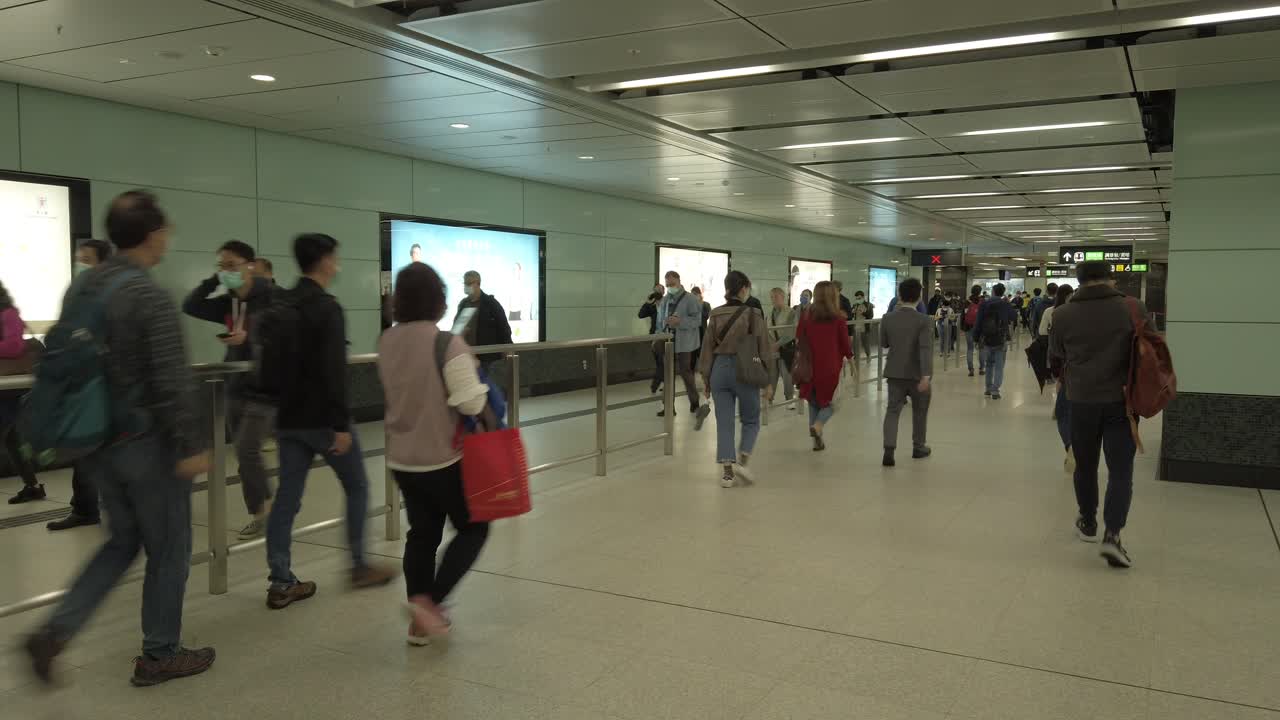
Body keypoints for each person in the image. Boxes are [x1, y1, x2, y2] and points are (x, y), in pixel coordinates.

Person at [24, 190, 215, 687]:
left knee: (122, 541)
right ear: (154, 235)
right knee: (170, 547)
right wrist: (192, 444)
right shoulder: (148, 294)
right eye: (166, 231)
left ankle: (56, 630)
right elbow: (171, 380)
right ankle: (160, 655)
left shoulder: (85, 286)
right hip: (147, 444)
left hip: (99, 442)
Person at [265, 233, 396, 610]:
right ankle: (358, 566)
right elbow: (333, 372)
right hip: (322, 418)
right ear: (324, 261)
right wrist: (340, 425)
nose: (337, 264)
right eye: (335, 258)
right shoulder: (326, 307)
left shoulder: (281, 304)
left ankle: (280, 580)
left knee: (287, 500)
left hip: (288, 417)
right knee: (357, 486)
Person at [378, 262, 490, 645]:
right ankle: (431, 604)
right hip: (443, 458)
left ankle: (418, 620)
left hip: (400, 458)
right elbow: (472, 405)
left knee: (422, 535)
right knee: (474, 527)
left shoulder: (387, 341)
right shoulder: (447, 343)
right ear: (438, 300)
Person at [182, 240, 280, 540]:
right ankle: (264, 509)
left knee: (247, 448)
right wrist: (216, 279)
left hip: (266, 385)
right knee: (243, 452)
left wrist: (248, 339)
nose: (226, 271)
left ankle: (263, 514)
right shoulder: (227, 302)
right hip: (236, 383)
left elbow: (284, 338)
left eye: (232, 265)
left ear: (250, 265)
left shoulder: (273, 297)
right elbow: (191, 305)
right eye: (221, 266)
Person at [1049, 262, 1145, 568]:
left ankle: (1088, 522)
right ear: (1110, 279)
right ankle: (1113, 536)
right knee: (1120, 470)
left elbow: (1056, 354)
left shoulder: (1062, 314)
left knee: (1086, 465)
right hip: (1122, 402)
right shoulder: (1132, 308)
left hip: (1081, 400)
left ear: (1078, 281)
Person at [48, 241, 114, 528]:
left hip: (106, 384)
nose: (80, 264)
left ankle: (91, 509)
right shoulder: (78, 293)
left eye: (86, 259)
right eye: (78, 259)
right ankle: (86, 508)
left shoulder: (112, 295)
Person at [698, 271, 773, 488]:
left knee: (725, 422)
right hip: (746, 368)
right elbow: (764, 348)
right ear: (743, 289)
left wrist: (706, 379)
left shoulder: (715, 314)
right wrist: (768, 379)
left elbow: (707, 348)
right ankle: (743, 460)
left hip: (719, 369)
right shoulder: (753, 314)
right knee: (751, 419)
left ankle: (727, 474)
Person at [795, 281, 852, 452]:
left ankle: (816, 440)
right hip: (830, 367)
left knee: (814, 402)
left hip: (809, 366)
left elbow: (799, 337)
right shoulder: (838, 318)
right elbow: (844, 344)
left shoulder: (806, 316)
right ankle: (819, 425)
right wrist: (851, 360)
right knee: (832, 403)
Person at [881, 278, 932, 466]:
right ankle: (918, 447)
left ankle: (889, 449)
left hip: (894, 372)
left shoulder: (888, 318)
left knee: (892, 410)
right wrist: (926, 375)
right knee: (920, 411)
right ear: (919, 296)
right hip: (917, 374)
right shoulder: (924, 320)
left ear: (900, 296)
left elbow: (884, 343)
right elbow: (925, 348)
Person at [1, 280, 44, 504]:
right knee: (11, 439)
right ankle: (32, 486)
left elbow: (14, 346)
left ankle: (32, 486)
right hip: (4, 386)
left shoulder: (8, 314)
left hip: (9, 388)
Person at [655, 270, 703, 419]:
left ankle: (694, 402)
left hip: (685, 343)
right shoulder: (664, 300)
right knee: (667, 375)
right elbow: (660, 320)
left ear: (679, 281)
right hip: (668, 341)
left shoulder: (690, 299)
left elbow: (697, 321)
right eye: (667, 284)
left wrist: (680, 322)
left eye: (672, 284)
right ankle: (668, 407)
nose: (669, 287)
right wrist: (660, 332)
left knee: (686, 373)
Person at [452, 270, 512, 375]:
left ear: (478, 283)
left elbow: (504, 328)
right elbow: (456, 329)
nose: (466, 286)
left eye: (469, 283)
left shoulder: (490, 303)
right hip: (466, 357)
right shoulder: (463, 304)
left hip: (486, 358)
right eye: (465, 283)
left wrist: (508, 350)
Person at [1042, 283, 1075, 471]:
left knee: (1064, 414)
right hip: (1105, 378)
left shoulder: (1056, 312)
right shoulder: (1120, 309)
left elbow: (1041, 332)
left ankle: (1071, 446)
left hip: (1069, 370)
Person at [974, 283, 1018, 399]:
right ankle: (995, 390)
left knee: (989, 364)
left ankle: (988, 388)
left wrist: (976, 337)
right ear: (1003, 292)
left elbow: (978, 322)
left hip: (987, 337)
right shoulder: (1005, 304)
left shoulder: (984, 304)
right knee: (999, 365)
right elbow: (1014, 316)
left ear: (993, 291)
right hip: (1001, 338)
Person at [768, 287, 797, 406]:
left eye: (776, 297)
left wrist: (778, 344)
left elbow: (791, 332)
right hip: (773, 350)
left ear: (782, 297)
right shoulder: (770, 313)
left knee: (787, 374)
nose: (773, 300)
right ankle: (769, 398)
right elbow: (767, 330)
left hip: (786, 348)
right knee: (771, 375)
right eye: (771, 297)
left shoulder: (791, 312)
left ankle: (789, 399)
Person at [638, 283, 665, 394]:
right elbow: (640, 315)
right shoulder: (651, 306)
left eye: (659, 290)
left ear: (663, 292)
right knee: (659, 363)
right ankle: (664, 381)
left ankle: (655, 384)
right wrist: (647, 302)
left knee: (661, 362)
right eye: (655, 291)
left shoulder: (668, 303)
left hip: (665, 337)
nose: (657, 293)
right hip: (654, 336)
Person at [960, 285, 985, 377]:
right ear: (980, 291)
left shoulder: (967, 302)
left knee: (970, 349)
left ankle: (971, 370)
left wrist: (962, 327)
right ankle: (982, 368)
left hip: (968, 327)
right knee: (981, 348)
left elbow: (963, 315)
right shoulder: (982, 302)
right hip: (980, 328)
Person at [690, 286, 712, 373]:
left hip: (702, 333)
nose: (694, 296)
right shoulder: (690, 305)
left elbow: (706, 316)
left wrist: (699, 304)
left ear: (700, 294)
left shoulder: (706, 304)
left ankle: (705, 374)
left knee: (703, 356)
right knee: (692, 357)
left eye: (695, 294)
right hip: (692, 334)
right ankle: (691, 376)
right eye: (692, 295)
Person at [850, 290, 875, 361]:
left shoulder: (869, 305)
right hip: (856, 327)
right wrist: (852, 312)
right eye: (857, 298)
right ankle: (856, 357)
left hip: (864, 327)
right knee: (855, 344)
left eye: (859, 298)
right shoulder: (855, 305)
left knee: (865, 343)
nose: (858, 300)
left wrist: (863, 313)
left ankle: (868, 356)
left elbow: (871, 315)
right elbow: (851, 314)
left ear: (863, 297)